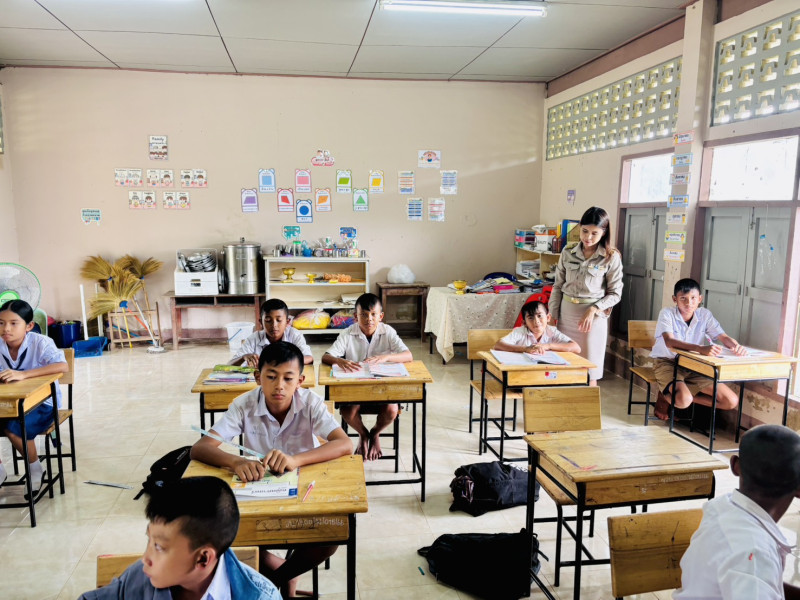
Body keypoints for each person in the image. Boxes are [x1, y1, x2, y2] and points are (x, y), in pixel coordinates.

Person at [192, 341, 351, 597]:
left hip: (304, 489)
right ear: (258, 377)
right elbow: (200, 448)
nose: (279, 386)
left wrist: (295, 460)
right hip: (259, 490)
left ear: (300, 381)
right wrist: (236, 462)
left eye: (288, 378)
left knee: (331, 533)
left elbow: (345, 444)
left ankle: (275, 581)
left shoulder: (310, 403)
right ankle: (284, 575)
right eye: (271, 376)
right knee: (225, 534)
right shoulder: (244, 404)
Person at [78, 476, 281, 599]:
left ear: (203, 558)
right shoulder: (139, 577)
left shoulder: (261, 596)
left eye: (159, 547)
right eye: (149, 541)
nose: (145, 558)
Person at [674, 424, 800, 599]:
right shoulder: (755, 552)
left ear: (735, 465)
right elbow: (752, 571)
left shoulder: (724, 507)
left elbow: (759, 581)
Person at [321, 292, 413, 460]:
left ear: (381, 316)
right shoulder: (348, 333)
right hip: (356, 390)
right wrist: (340, 360)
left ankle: (375, 433)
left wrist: (386, 357)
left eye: (373, 314)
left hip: (383, 390)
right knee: (347, 411)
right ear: (355, 317)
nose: (369, 319)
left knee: (392, 410)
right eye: (363, 315)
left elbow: (408, 355)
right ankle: (363, 434)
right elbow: (326, 357)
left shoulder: (388, 331)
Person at [650, 278, 745, 421]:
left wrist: (735, 346)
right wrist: (700, 349)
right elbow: (669, 342)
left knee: (730, 401)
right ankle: (673, 395)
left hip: (693, 365)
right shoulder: (667, 313)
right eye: (683, 298)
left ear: (700, 299)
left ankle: (671, 394)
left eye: (693, 298)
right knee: (683, 401)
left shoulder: (704, 315)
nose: (689, 303)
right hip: (667, 362)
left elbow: (723, 336)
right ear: (675, 299)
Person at [548, 206, 623, 385]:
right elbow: (557, 286)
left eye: (594, 233)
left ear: (604, 232)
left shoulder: (611, 257)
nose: (588, 237)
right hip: (566, 315)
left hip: (592, 319)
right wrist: (552, 315)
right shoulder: (568, 252)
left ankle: (587, 401)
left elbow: (615, 293)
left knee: (589, 370)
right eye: (584, 231)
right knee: (563, 364)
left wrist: (594, 309)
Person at [0, 299, 68, 493]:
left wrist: (23, 375)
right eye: (1, 323)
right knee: (9, 420)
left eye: (14, 323)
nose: (6, 329)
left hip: (43, 403)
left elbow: (62, 366)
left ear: (29, 326)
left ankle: (35, 469)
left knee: (14, 427)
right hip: (9, 401)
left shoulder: (40, 342)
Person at [229, 298, 313, 368]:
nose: (274, 325)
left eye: (279, 320)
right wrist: (243, 357)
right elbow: (230, 364)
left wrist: (286, 361)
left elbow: (309, 358)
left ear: (287, 322)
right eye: (268, 320)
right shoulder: (254, 339)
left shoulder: (294, 335)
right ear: (261, 322)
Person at [494, 300, 581, 355]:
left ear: (548, 318)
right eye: (530, 318)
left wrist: (548, 346)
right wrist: (526, 349)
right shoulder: (520, 331)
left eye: (539, 316)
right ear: (524, 323)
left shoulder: (552, 331)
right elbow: (498, 345)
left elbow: (576, 348)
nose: (536, 321)